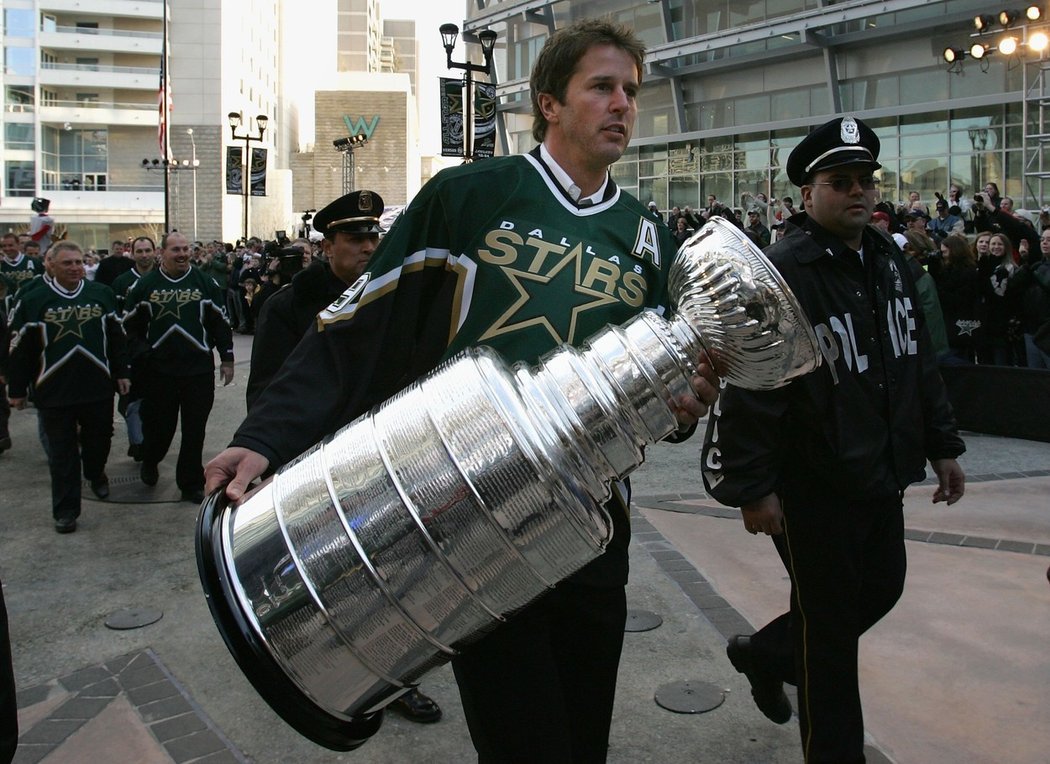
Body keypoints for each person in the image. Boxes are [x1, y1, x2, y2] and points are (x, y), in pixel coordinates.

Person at [205, 19, 718, 762]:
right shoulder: (469, 196)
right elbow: (358, 326)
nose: (622, 106)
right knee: (521, 742)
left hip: (594, 523)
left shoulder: (647, 237)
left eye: (631, 92)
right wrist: (264, 438)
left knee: (583, 738)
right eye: (601, 87)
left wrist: (683, 407)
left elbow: (667, 393)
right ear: (548, 102)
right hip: (472, 518)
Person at [702, 115, 965, 764]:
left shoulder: (886, 259)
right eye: (840, 182)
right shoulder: (783, 270)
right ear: (807, 194)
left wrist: (943, 444)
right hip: (812, 488)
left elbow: (916, 358)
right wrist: (754, 487)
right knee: (831, 648)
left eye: (865, 181)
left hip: (879, 475)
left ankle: (764, 654)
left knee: (881, 588)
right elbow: (752, 388)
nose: (858, 193)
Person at [7, 241, 130, 533]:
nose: (75, 268)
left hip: (97, 385)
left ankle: (96, 473)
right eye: (67, 263)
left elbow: (117, 336)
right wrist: (16, 389)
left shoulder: (101, 294)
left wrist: (122, 371)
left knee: (99, 439)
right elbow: (19, 348)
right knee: (62, 454)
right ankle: (66, 510)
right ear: (50, 265)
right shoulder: (34, 299)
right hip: (53, 390)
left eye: (78, 262)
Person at [123, 232, 235, 503]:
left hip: (197, 370)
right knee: (160, 428)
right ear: (162, 253)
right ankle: (150, 459)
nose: (182, 253)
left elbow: (219, 321)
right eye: (175, 250)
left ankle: (190, 482)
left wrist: (227, 356)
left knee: (195, 429)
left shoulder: (204, 282)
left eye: (186, 248)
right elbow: (129, 327)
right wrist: (144, 355)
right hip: (159, 372)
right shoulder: (144, 286)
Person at [112, 236, 158, 461]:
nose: (144, 255)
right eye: (139, 251)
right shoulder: (122, 281)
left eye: (147, 250)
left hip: (158, 349)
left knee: (155, 403)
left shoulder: (163, 277)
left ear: (155, 251)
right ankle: (137, 441)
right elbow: (118, 318)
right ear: (132, 253)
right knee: (130, 401)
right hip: (132, 350)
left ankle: (147, 442)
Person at [933, 233, 982, 365]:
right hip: (951, 321)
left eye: (945, 252)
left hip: (961, 322)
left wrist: (939, 289)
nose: (942, 255)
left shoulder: (967, 272)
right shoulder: (946, 270)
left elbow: (959, 299)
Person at [1005, 227, 1050, 368]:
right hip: (1031, 329)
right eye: (1042, 239)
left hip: (1047, 330)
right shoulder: (1035, 265)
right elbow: (1012, 286)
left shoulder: (1039, 268)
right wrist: (1026, 262)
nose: (1044, 243)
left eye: (1049, 240)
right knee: (1035, 378)